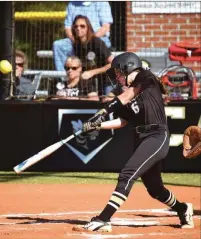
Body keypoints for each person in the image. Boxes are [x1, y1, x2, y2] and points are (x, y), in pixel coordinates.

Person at [72, 52, 194, 232]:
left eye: (119, 73)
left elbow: (126, 96)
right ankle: (183, 209)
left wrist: (102, 113)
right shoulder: (129, 92)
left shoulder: (146, 77)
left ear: (129, 67)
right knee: (155, 189)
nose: (118, 78)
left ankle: (104, 219)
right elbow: (123, 121)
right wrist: (97, 125)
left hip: (156, 136)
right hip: (141, 138)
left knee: (127, 174)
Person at [52, 1, 113, 72]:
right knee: (58, 45)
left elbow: (105, 27)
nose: (79, 28)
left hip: (98, 37)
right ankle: (64, 79)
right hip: (76, 39)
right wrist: (77, 41)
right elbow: (68, 28)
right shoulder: (72, 3)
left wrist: (90, 40)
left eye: (82, 26)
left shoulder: (102, 2)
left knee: (100, 45)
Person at [71, 15, 114, 96]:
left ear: (88, 28)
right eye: (76, 26)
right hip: (91, 82)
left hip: (108, 80)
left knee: (108, 103)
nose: (78, 28)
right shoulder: (76, 45)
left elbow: (114, 63)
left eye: (82, 26)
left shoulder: (97, 42)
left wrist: (92, 72)